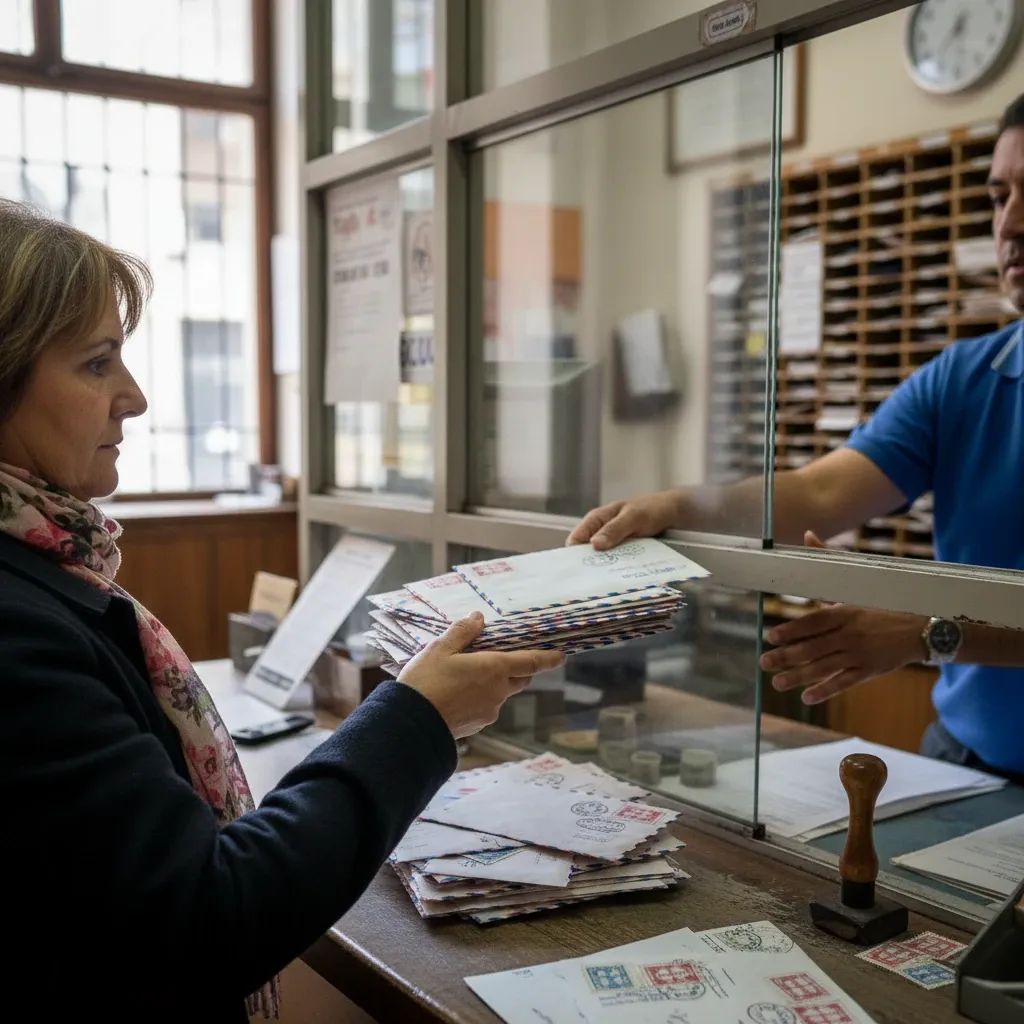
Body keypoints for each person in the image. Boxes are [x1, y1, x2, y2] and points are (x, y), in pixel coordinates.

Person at [0, 199, 564, 1019]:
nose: (135, 397)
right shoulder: (17, 629)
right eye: (96, 364)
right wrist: (417, 717)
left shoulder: (47, 566)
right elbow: (207, 912)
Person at [569, 93, 1024, 782]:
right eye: (997, 196)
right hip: (968, 763)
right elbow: (820, 492)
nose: (1010, 224)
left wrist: (925, 633)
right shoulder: (967, 378)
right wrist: (678, 507)